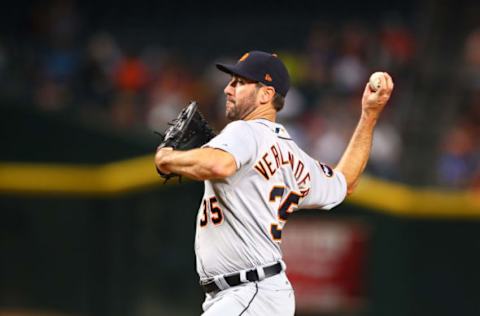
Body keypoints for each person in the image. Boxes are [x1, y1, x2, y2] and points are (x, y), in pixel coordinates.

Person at [155, 50, 394, 315]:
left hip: (249, 291)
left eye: (239, 82)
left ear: (266, 95)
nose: (227, 89)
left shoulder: (245, 131)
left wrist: (167, 158)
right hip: (260, 293)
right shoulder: (295, 157)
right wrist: (369, 116)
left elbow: (218, 164)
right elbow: (345, 181)